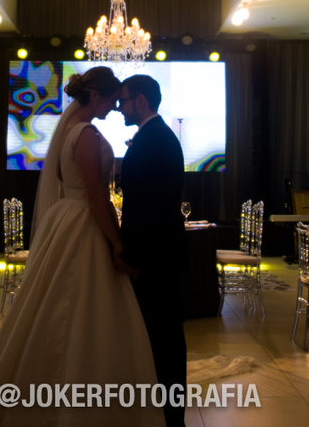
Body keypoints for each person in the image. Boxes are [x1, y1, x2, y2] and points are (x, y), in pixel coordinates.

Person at [0, 67, 163, 427]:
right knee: (78, 303)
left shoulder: (71, 132)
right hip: (83, 224)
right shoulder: (86, 134)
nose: (114, 107)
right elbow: (96, 197)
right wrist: (118, 243)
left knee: (60, 302)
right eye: (110, 99)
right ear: (94, 97)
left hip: (67, 220)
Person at [118, 74, 187, 427]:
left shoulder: (153, 141)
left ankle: (172, 417)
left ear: (141, 101)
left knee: (164, 337)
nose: (119, 108)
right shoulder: (155, 137)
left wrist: (132, 256)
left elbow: (146, 209)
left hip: (155, 256)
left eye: (124, 101)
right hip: (160, 251)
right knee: (162, 335)